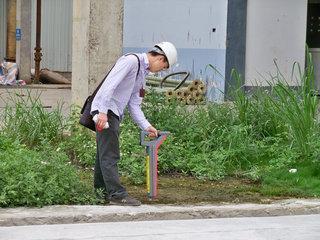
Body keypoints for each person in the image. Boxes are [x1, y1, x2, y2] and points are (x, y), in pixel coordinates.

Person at [90, 42, 178, 206]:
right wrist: (102, 112)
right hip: (106, 110)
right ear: (160, 58)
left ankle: (100, 193)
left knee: (103, 154)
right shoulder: (130, 61)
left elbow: (134, 104)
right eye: (163, 67)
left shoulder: (141, 73)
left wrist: (146, 126)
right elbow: (110, 84)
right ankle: (117, 195)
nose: (161, 71)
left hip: (112, 112)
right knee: (110, 154)